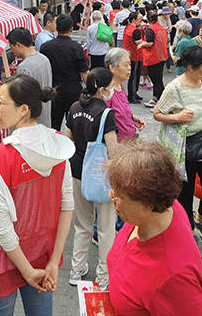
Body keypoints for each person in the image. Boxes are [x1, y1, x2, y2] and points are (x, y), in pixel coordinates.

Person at [0, 75, 74, 316]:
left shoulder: (1, 156)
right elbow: (67, 207)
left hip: (0, 261)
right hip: (42, 255)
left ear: (24, 109)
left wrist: (27, 272)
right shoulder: (58, 146)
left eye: (0, 102)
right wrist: (53, 263)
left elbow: (3, 227)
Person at [106, 140, 202, 314]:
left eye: (118, 197)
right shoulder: (159, 210)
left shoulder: (173, 278)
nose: (110, 197)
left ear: (148, 203)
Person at [153, 46, 202, 248]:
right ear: (190, 68)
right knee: (184, 194)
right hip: (184, 150)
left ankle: (201, 219)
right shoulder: (174, 88)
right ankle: (188, 231)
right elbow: (157, 114)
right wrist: (177, 117)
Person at [64, 68, 119, 290]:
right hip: (100, 176)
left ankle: (77, 270)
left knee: (82, 225)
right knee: (106, 228)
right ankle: (103, 275)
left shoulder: (74, 107)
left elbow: (67, 141)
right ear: (103, 89)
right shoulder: (106, 114)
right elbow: (113, 152)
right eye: (111, 86)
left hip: (76, 171)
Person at [40, 15, 88, 130]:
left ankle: (55, 146)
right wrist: (91, 90)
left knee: (54, 125)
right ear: (71, 29)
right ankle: (73, 147)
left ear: (56, 28)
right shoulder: (76, 48)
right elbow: (84, 73)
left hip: (53, 90)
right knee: (74, 125)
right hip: (73, 90)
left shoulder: (45, 47)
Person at [7, 27, 53, 128]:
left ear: (18, 45)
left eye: (12, 47)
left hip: (31, 124)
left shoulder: (24, 67)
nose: (12, 51)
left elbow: (21, 100)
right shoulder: (44, 59)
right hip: (45, 120)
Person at [104, 48, 145, 141]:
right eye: (125, 65)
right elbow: (104, 121)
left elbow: (118, 113)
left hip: (129, 142)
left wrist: (131, 119)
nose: (129, 68)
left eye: (130, 64)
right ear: (112, 68)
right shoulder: (107, 92)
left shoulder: (120, 86)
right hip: (118, 146)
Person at [141, 10, 169, 109]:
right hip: (162, 56)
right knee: (158, 79)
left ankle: (162, 103)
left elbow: (149, 43)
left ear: (148, 19)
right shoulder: (161, 28)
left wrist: (141, 45)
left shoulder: (151, 29)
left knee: (157, 81)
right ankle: (155, 98)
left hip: (153, 57)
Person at [122, 11, 149, 104]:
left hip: (130, 55)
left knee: (134, 76)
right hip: (135, 56)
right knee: (134, 77)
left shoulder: (128, 28)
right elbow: (140, 43)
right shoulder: (135, 30)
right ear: (134, 20)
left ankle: (134, 93)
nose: (141, 22)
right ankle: (132, 96)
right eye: (139, 20)